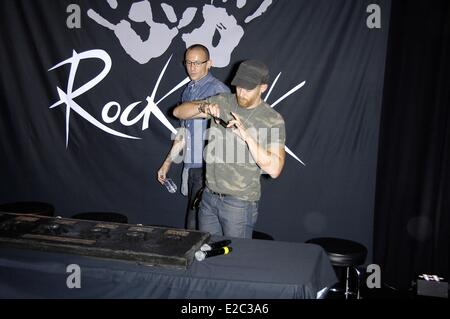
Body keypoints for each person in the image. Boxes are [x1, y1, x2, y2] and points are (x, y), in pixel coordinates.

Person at [173, 59, 286, 238]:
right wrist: (204, 107)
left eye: (248, 89)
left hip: (239, 203)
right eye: (239, 86)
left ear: (263, 87)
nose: (241, 93)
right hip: (208, 197)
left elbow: (274, 169)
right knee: (208, 255)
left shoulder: (272, 119)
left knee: (235, 258)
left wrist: (247, 137)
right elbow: (178, 112)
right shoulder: (222, 101)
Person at [157, 44, 229, 230]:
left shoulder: (218, 90)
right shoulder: (188, 90)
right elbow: (184, 133)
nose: (192, 67)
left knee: (199, 230)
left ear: (209, 64)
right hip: (192, 168)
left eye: (197, 63)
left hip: (210, 171)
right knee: (195, 228)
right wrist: (167, 163)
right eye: (188, 62)